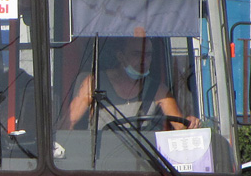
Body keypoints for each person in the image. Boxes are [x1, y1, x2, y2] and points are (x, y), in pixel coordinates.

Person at [64, 35, 197, 130]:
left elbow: (181, 127)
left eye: (148, 54)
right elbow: (69, 123)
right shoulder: (93, 83)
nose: (144, 60)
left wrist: (191, 124)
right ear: (121, 56)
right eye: (137, 54)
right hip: (100, 161)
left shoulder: (158, 90)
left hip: (143, 162)